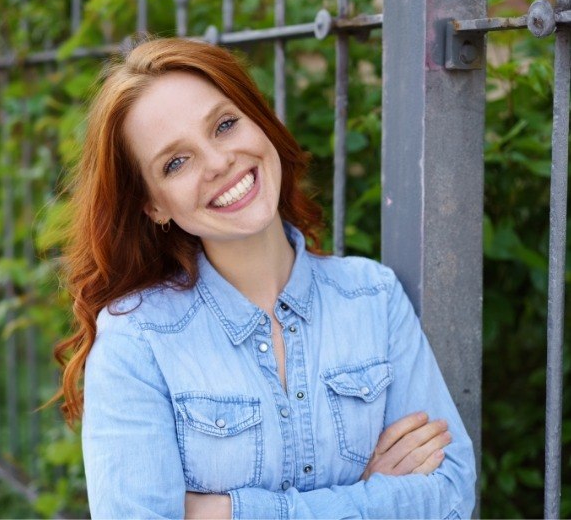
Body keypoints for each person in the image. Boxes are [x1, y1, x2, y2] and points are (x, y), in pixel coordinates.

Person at [54, 36, 476, 519]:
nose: (218, 163)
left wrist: (224, 512)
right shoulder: (138, 339)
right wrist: (371, 495)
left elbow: (452, 496)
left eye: (225, 125)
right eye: (175, 162)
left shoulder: (372, 298)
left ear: (260, 121)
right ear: (154, 206)